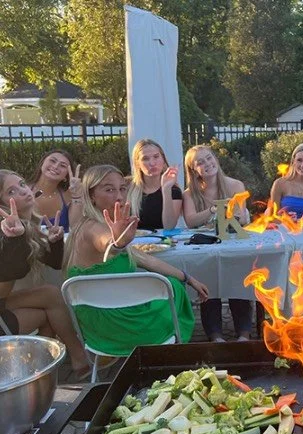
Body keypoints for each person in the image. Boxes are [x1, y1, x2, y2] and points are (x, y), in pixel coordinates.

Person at [64, 165, 209, 356]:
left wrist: (189, 278)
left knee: (173, 283)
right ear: (91, 195)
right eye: (109, 189)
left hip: (98, 328)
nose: (119, 196)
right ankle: (171, 352)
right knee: (173, 290)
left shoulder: (87, 224)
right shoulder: (93, 229)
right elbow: (108, 244)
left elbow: (146, 260)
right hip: (115, 326)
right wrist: (118, 242)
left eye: (122, 189)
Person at [0, 169, 89, 377]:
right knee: (50, 297)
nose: (23, 191)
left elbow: (55, 263)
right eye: (11, 191)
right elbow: (14, 270)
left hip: (3, 303)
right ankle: (74, 357)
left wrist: (54, 242)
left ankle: (37, 370)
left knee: (50, 305)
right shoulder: (6, 228)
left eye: (22, 184)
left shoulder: (26, 225)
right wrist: (15, 239)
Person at [183, 145, 252, 342]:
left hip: (232, 245)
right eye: (200, 162)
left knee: (239, 280)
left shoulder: (235, 185)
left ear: (216, 159)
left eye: (209, 158)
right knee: (208, 282)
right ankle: (215, 336)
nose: (207, 164)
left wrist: (239, 216)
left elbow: (240, 220)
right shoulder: (190, 194)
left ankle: (244, 334)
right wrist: (215, 209)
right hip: (205, 249)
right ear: (193, 169)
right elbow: (190, 221)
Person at [126, 139, 182, 230]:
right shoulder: (128, 189)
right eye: (145, 159)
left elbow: (169, 226)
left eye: (156, 157)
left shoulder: (174, 190)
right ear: (137, 164)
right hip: (136, 242)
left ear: (163, 159)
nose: (152, 163)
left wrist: (166, 189)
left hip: (163, 242)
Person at [30, 149, 84, 230]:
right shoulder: (24, 191)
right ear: (42, 163)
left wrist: (77, 196)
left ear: (66, 177)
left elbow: (75, 228)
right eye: (52, 161)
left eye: (63, 166)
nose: (55, 167)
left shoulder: (68, 196)